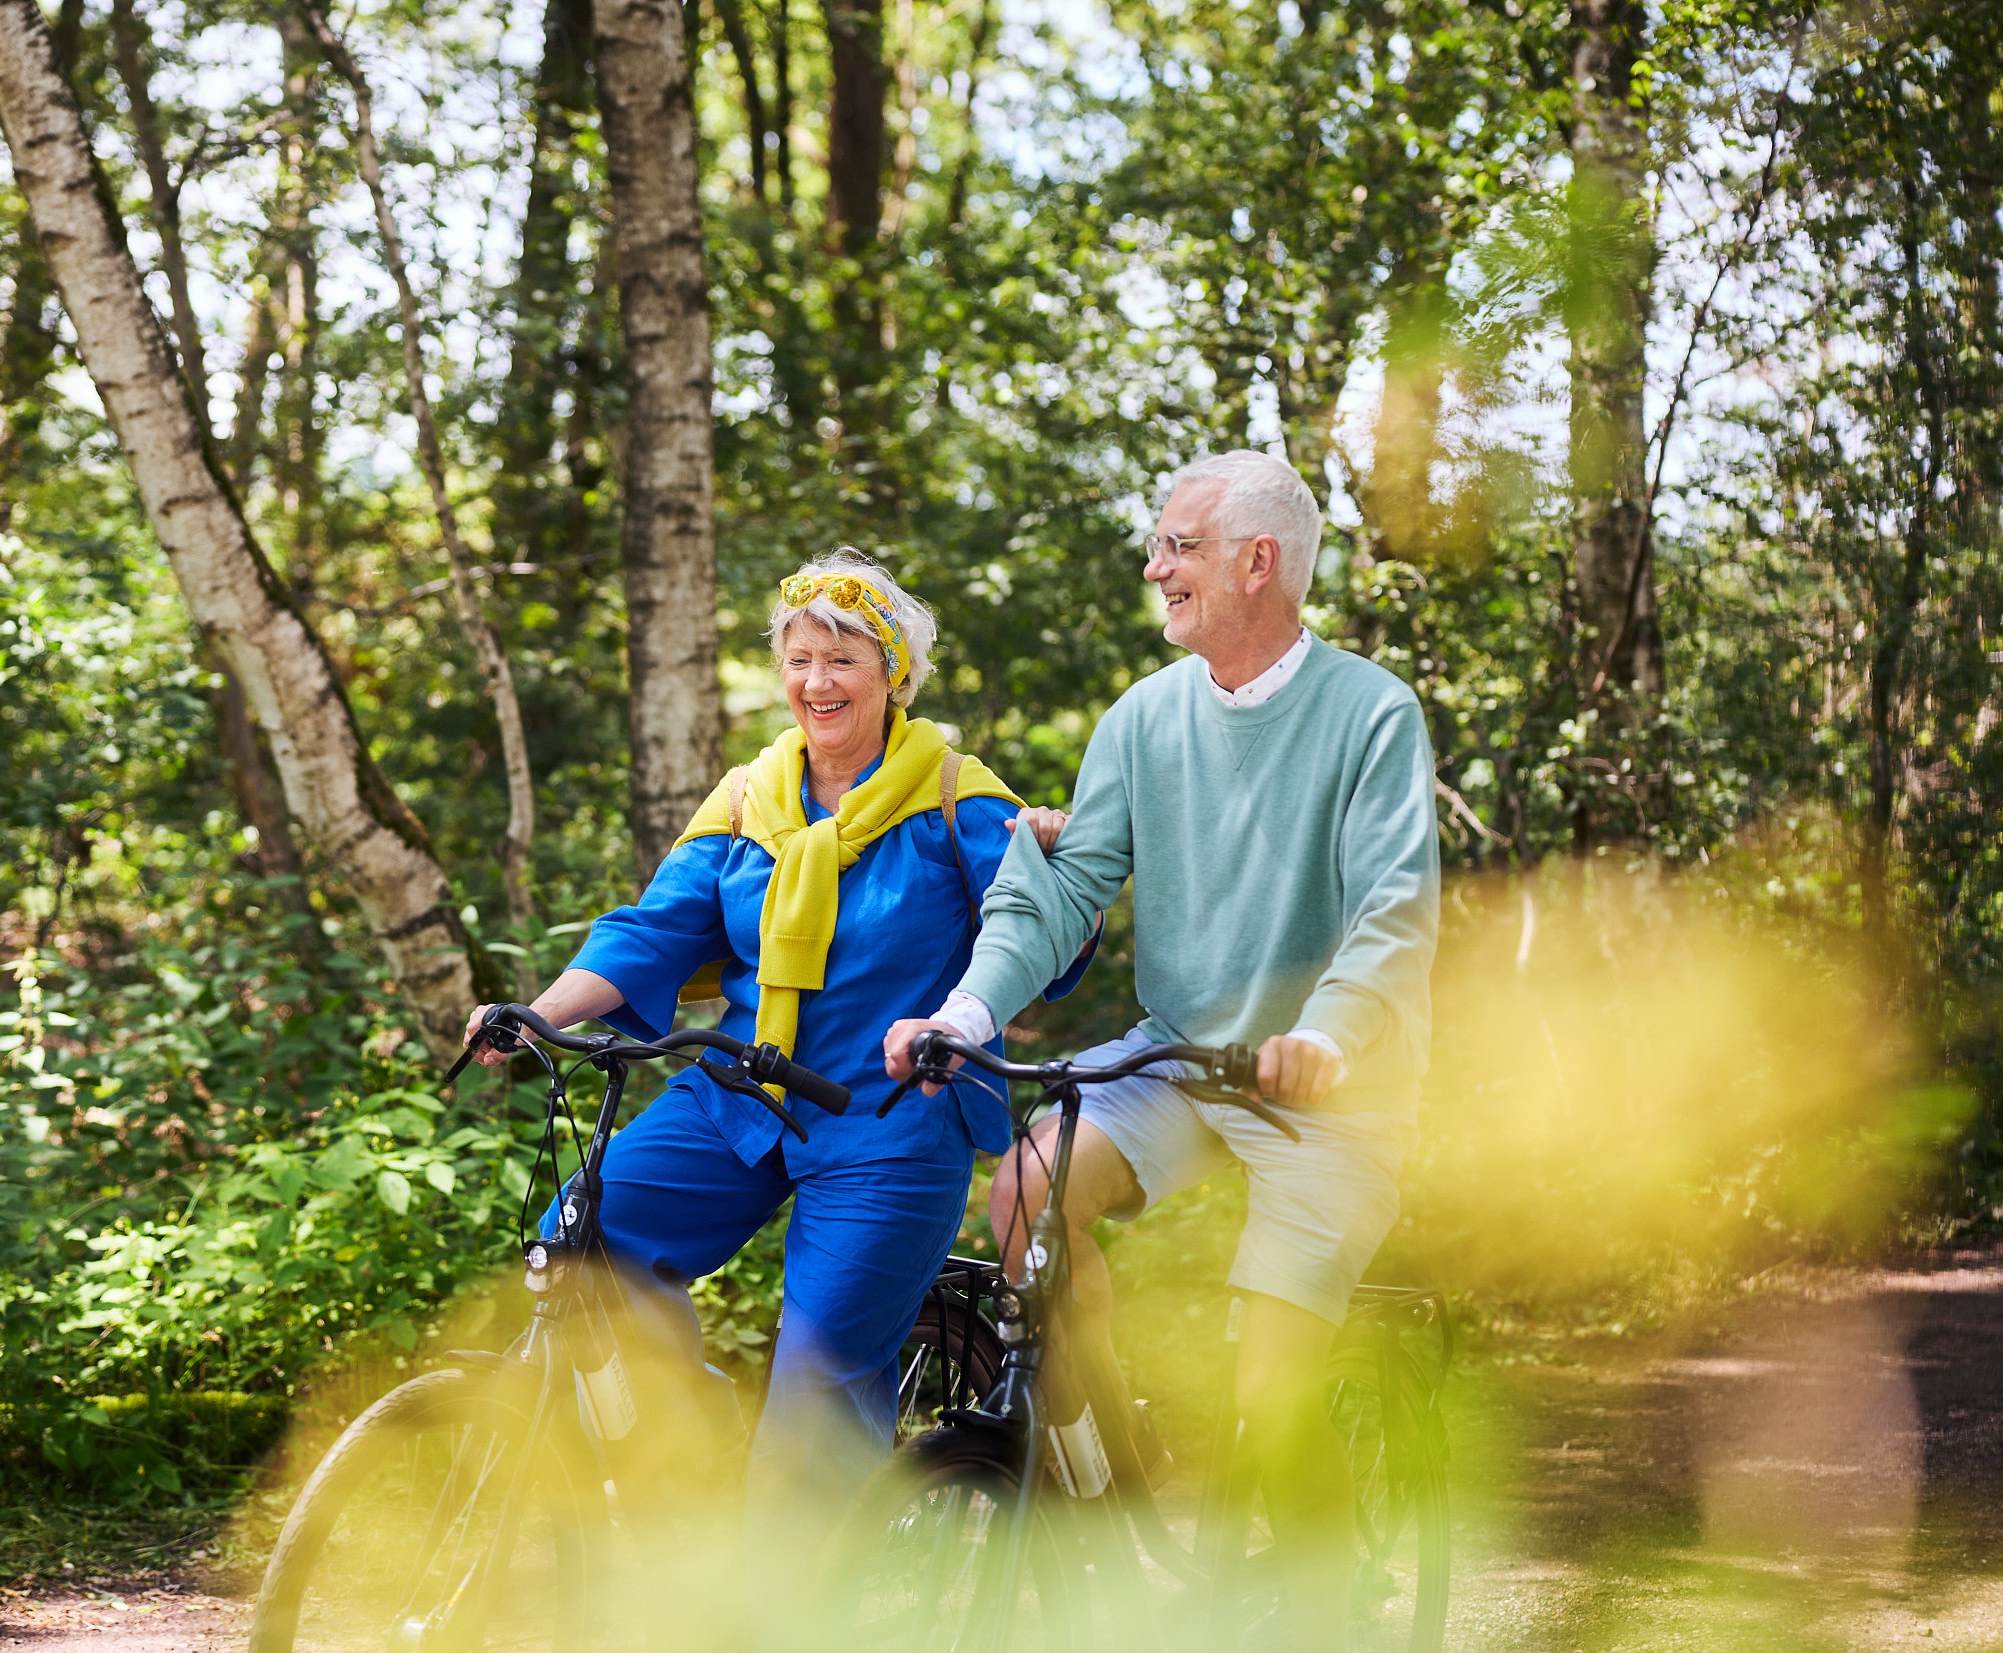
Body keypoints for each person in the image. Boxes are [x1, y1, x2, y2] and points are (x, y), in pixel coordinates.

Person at [882, 450, 1440, 1650]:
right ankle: (1109, 1475)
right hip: (1179, 1056)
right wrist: (963, 1015)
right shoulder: (1144, 717)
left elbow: (1393, 912)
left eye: (1176, 546)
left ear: (1257, 562)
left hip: (1328, 1090)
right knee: (1025, 1191)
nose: (1153, 567)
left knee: (1270, 1399)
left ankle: (1327, 1597)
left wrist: (1324, 1036)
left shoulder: (1369, 713)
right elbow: (1063, 890)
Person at [465, 547, 1092, 1514]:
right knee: (581, 1243)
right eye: (800, 659)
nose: (817, 681)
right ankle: (688, 1459)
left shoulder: (954, 796)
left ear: (893, 675)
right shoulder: (747, 798)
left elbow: (1041, 925)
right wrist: (538, 1012)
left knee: (818, 1385)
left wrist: (1051, 853)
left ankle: (797, 1576)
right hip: (742, 1093)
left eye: (843, 660)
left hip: (892, 1119)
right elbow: (653, 930)